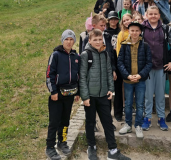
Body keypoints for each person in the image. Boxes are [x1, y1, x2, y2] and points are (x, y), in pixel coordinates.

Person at [80, 29, 131, 160]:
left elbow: (109, 72)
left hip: (103, 95)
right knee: (90, 122)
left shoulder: (106, 54)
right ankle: (91, 147)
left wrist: (110, 89)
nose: (98, 42)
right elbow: (82, 77)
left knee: (108, 122)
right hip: (90, 96)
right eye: (95, 40)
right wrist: (85, 97)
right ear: (89, 41)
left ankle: (113, 150)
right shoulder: (86, 55)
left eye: (99, 39)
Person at [141, 6, 171, 132]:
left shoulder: (165, 28)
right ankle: (147, 118)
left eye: (155, 14)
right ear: (146, 14)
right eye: (150, 14)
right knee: (147, 94)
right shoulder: (141, 28)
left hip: (160, 66)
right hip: (146, 67)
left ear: (159, 15)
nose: (153, 16)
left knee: (160, 94)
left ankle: (161, 117)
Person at [45, 30, 81, 160]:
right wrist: (53, 91)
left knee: (65, 120)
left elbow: (78, 76)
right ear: (62, 40)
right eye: (67, 39)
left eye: (71, 39)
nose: (69, 42)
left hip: (70, 94)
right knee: (54, 121)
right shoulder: (55, 55)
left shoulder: (76, 57)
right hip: (57, 94)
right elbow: (50, 74)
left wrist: (78, 92)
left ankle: (62, 141)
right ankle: (50, 147)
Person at [117, 21, 153, 138]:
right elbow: (120, 62)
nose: (135, 33)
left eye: (137, 31)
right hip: (127, 81)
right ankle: (128, 124)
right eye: (132, 30)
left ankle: (138, 125)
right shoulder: (124, 44)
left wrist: (140, 75)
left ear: (140, 32)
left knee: (140, 104)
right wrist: (127, 75)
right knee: (128, 104)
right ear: (129, 31)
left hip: (140, 81)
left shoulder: (145, 45)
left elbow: (148, 63)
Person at [105, 11, 123, 122]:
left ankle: (118, 112)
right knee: (108, 90)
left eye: (115, 19)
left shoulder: (121, 32)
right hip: (109, 62)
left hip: (120, 62)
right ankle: (107, 113)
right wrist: (112, 68)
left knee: (118, 89)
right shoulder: (105, 33)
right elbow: (108, 51)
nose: (113, 21)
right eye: (111, 19)